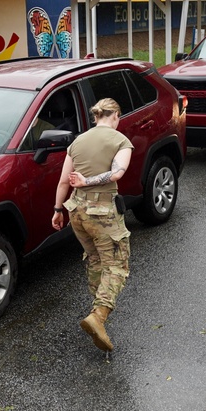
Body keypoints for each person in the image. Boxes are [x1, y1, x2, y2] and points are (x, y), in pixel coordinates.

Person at [52, 98, 133, 352]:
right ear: (116, 115)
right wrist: (88, 181)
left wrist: (57, 209)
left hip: (77, 212)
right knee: (117, 264)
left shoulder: (77, 141)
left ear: (96, 117)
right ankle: (98, 317)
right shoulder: (120, 141)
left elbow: (64, 181)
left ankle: (96, 310)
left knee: (96, 259)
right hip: (103, 213)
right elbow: (118, 172)